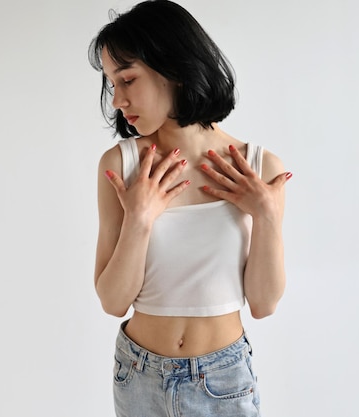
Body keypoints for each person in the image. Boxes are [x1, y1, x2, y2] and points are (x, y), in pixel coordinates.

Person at [88, 1, 291, 415]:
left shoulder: (258, 167)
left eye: (127, 79)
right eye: (112, 84)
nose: (117, 101)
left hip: (224, 379)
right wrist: (140, 219)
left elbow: (264, 304)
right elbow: (113, 302)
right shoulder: (121, 167)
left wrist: (266, 215)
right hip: (138, 376)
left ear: (173, 69)